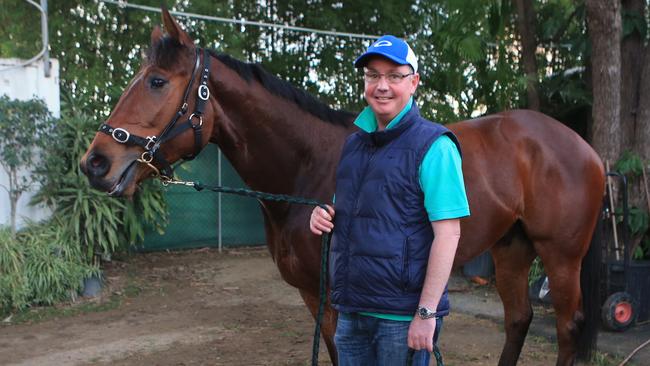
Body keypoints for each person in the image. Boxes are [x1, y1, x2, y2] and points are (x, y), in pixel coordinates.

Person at [309, 35, 470, 366]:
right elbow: (349, 211)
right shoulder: (353, 146)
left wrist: (426, 313)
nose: (382, 86)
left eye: (394, 76)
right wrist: (324, 215)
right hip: (351, 311)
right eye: (373, 75)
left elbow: (448, 234)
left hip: (401, 318)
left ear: (413, 83)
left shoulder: (435, 146)